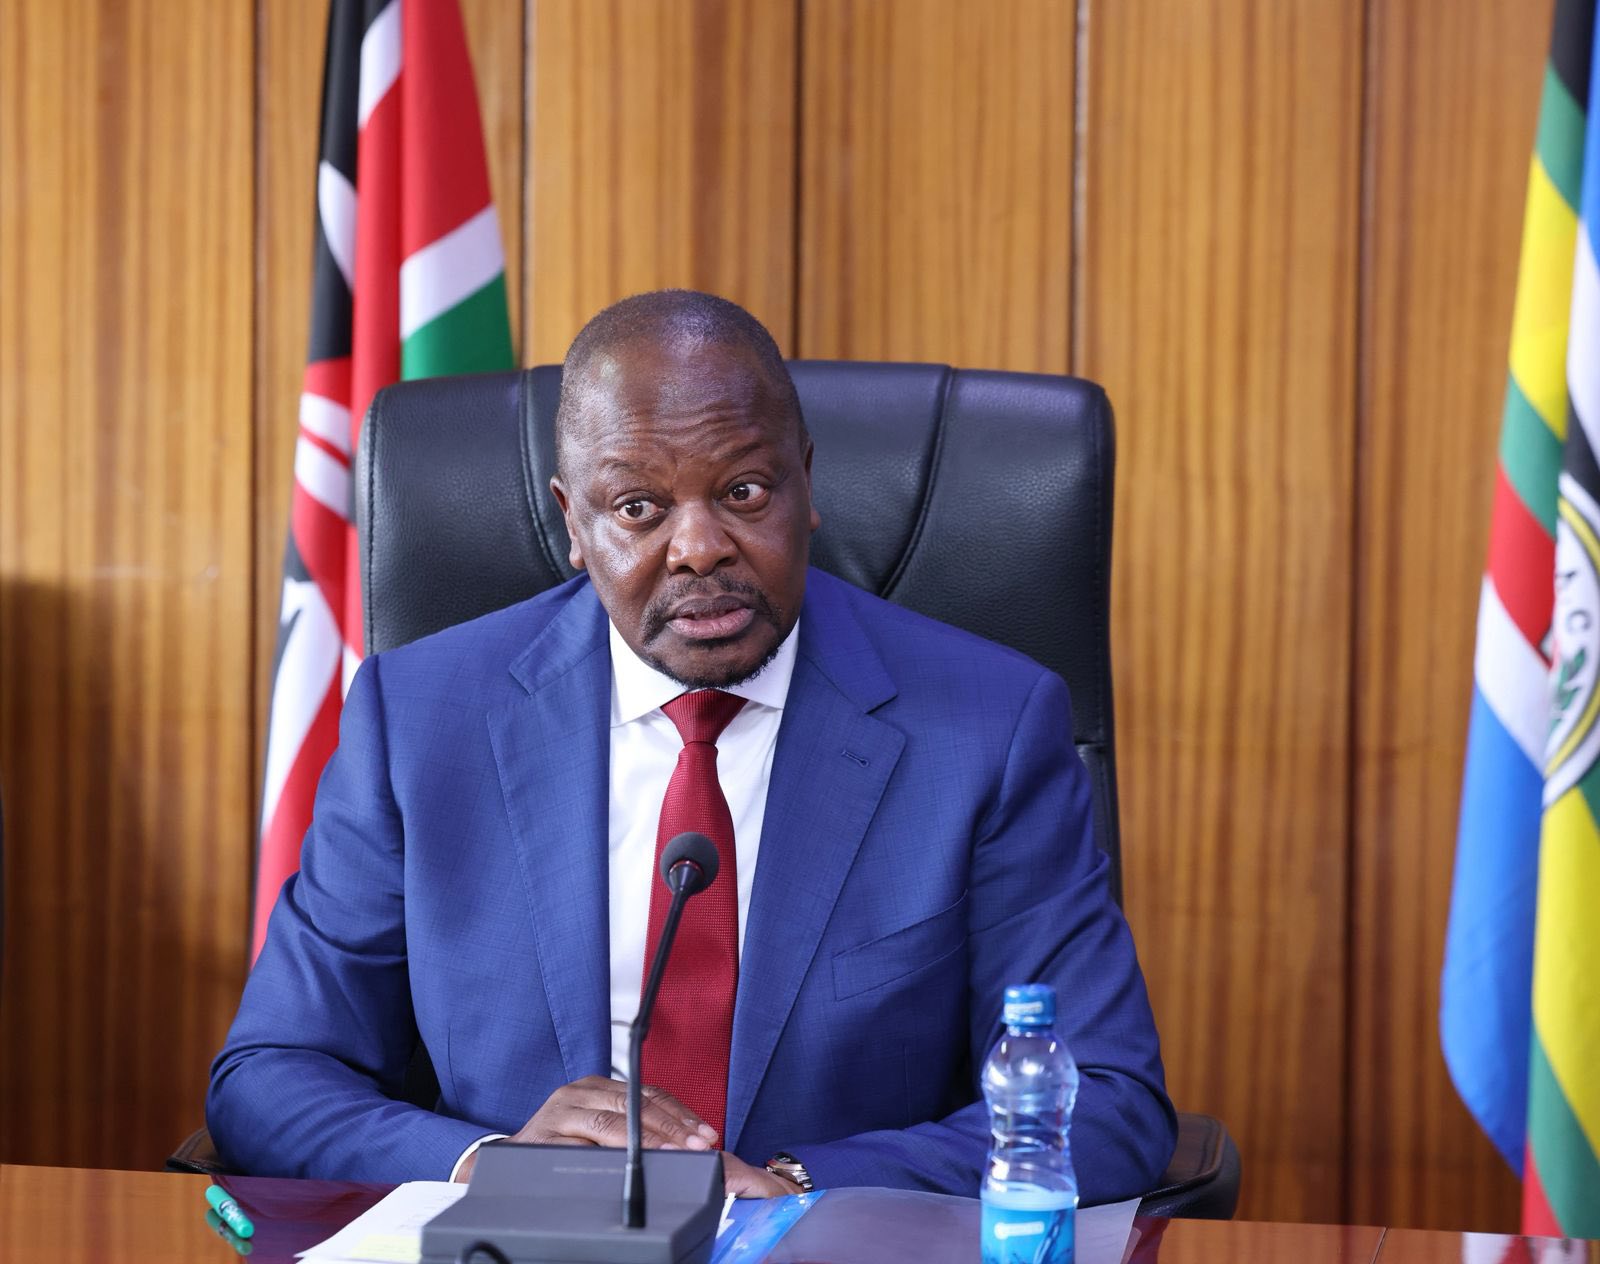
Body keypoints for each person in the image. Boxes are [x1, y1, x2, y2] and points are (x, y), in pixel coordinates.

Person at [208, 290, 1176, 1201]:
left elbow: (1104, 1098)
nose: (699, 546)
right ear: (573, 522)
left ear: (807, 482)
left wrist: (796, 1184)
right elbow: (271, 1073)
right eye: (639, 508)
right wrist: (488, 1166)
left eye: (744, 491)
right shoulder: (421, 720)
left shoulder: (987, 729)